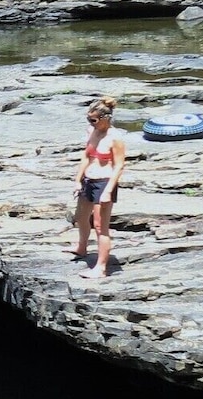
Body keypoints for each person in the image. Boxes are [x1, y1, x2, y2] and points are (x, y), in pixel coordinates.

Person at [69, 97, 126, 279]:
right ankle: (81, 247)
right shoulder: (92, 131)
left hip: (104, 181)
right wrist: (78, 180)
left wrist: (109, 189)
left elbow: (119, 166)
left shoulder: (115, 138)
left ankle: (101, 268)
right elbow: (86, 157)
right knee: (80, 216)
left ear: (105, 118)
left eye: (93, 120)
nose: (91, 123)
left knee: (101, 226)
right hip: (89, 179)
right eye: (88, 119)